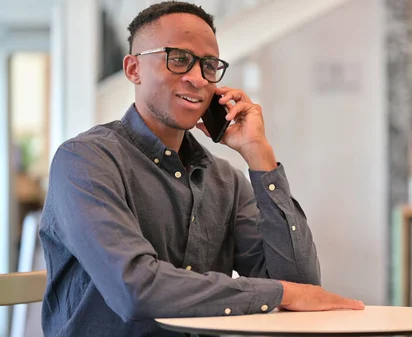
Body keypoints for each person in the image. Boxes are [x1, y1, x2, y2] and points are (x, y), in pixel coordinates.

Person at [38, 2, 364, 336]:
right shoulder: (85, 162)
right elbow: (136, 289)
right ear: (134, 69)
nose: (197, 79)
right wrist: (283, 294)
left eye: (209, 66)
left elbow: (301, 289)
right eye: (178, 59)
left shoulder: (226, 181)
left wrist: (259, 156)